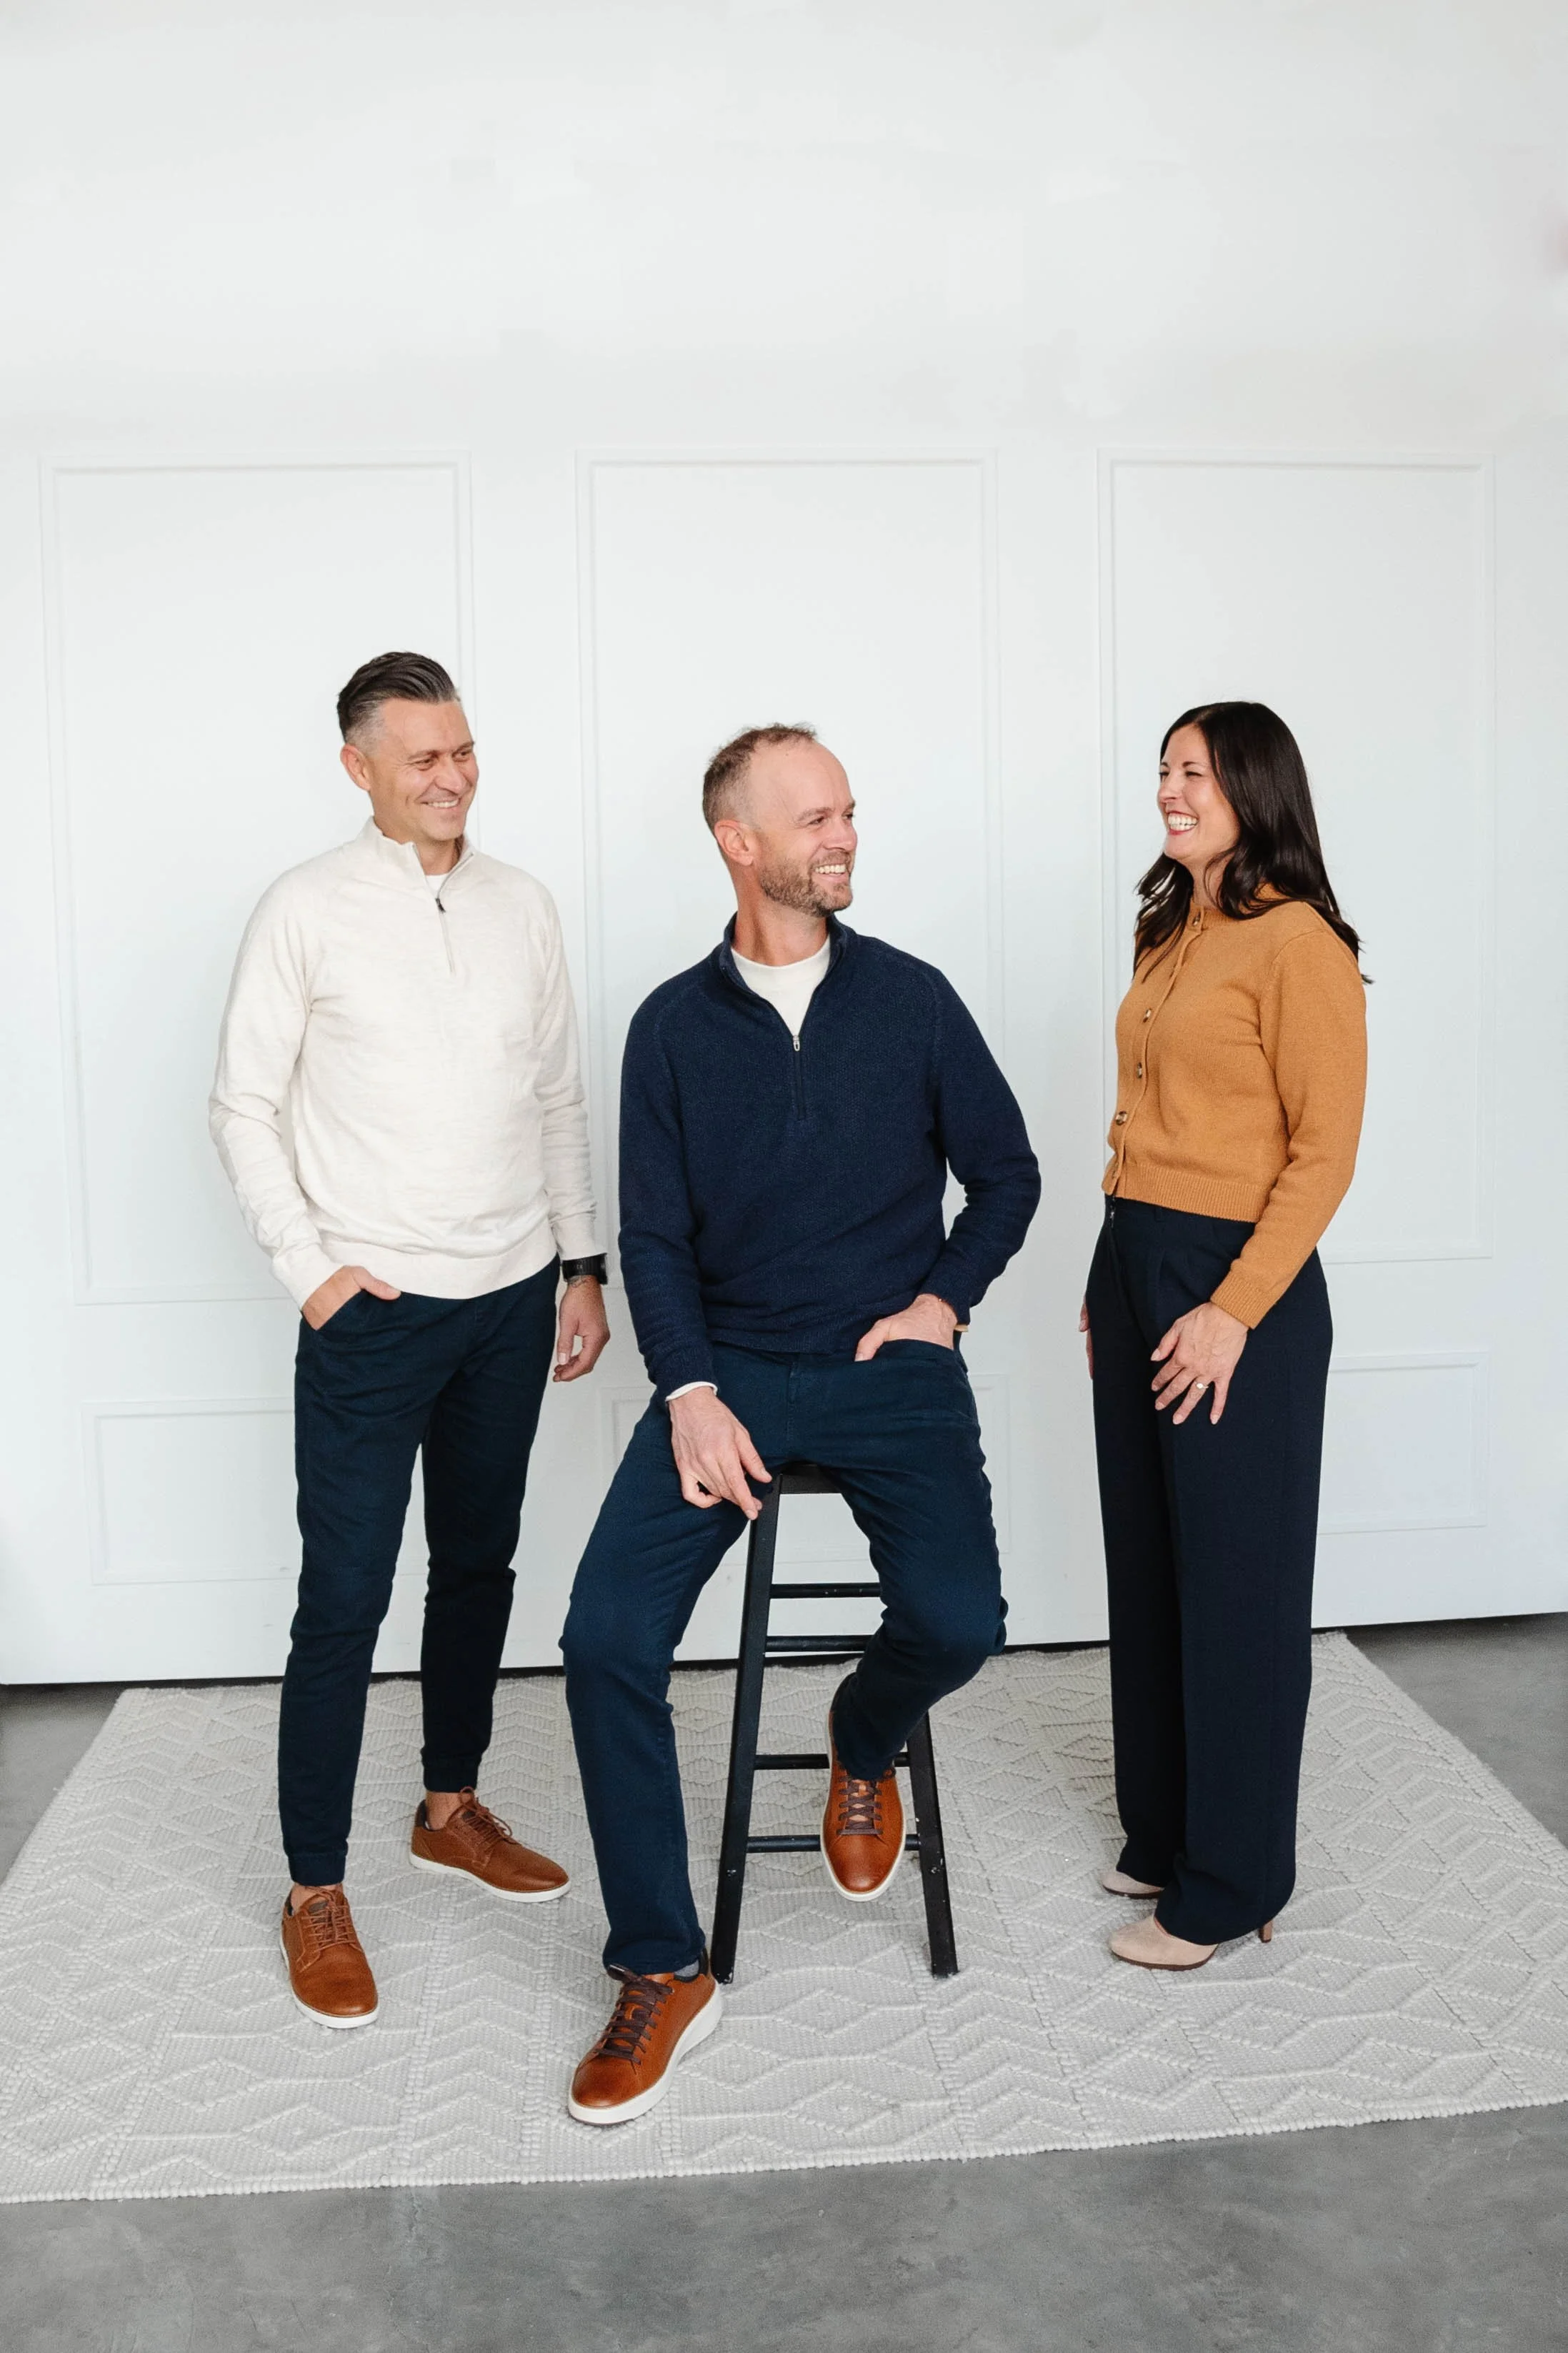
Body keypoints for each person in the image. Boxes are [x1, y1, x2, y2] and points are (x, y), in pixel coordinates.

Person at [559, 722, 1040, 2124]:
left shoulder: (913, 999)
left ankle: (858, 1733)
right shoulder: (668, 1025)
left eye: (847, 811)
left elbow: (1003, 1173)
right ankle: (661, 1962)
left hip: (891, 1370)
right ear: (738, 840)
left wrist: (943, 1300)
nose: (842, 834)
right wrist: (688, 1388)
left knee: (960, 1620)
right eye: (814, 815)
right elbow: (650, 1236)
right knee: (602, 1637)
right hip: (729, 1376)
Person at [210, 650, 611, 2029]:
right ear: (359, 766)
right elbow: (241, 1106)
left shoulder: (522, 905)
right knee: (344, 1598)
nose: (451, 777)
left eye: (463, 750)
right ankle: (313, 1886)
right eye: (421, 757)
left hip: (511, 1297)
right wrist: (310, 1273)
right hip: (371, 1315)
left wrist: (580, 1263)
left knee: (480, 1566)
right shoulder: (303, 910)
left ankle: (451, 1802)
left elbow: (559, 1094)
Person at [1082, 700, 1366, 1971]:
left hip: (1233, 1288)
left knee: (1237, 1592)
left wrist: (1227, 1310)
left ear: (1253, 785)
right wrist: (1112, 1266)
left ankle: (1232, 1880)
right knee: (1147, 1567)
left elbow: (1322, 1156)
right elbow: (1142, 1110)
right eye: (1160, 772)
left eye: (1191, 772)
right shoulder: (1176, 925)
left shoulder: (1298, 943)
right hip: (1141, 1261)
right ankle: (1164, 1833)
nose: (1167, 791)